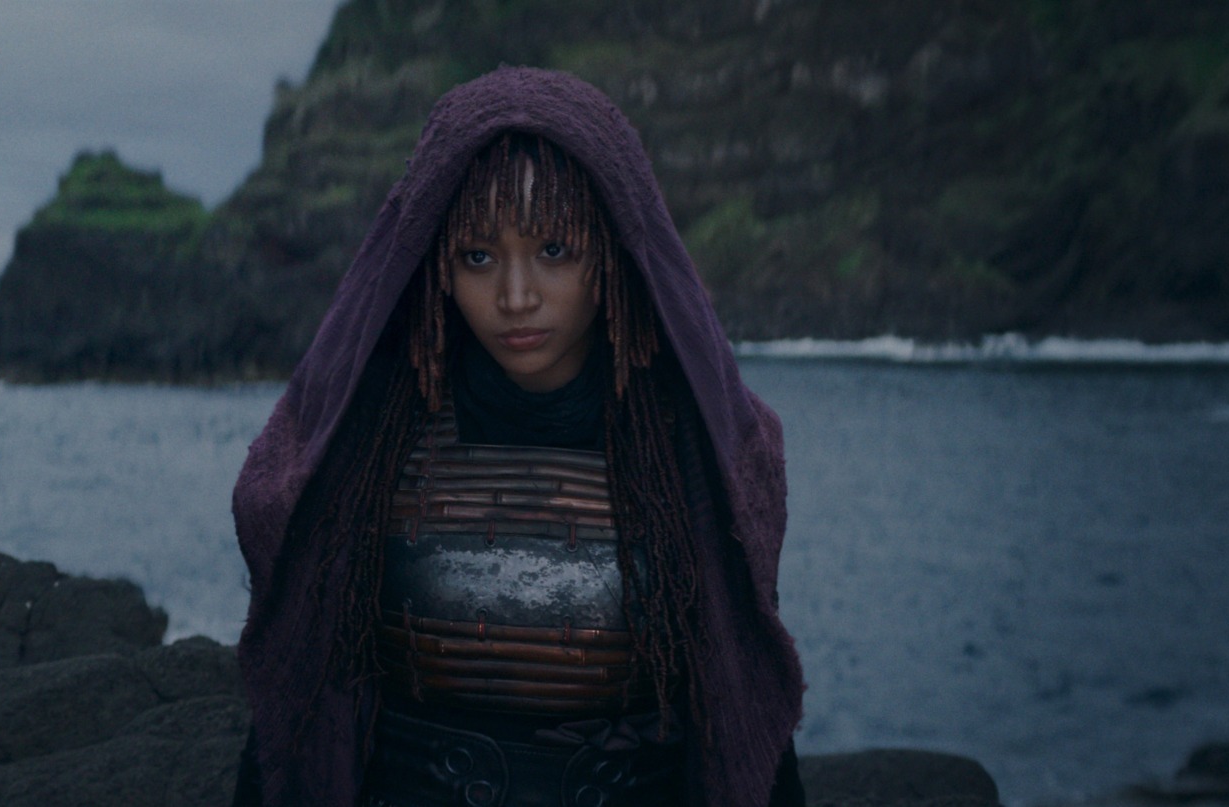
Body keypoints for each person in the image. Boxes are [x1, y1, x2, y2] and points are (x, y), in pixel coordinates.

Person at [231, 66, 804, 807]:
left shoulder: (692, 447)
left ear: (611, 250)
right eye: (478, 256)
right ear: (436, 263)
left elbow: (741, 703)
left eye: (554, 251)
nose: (515, 296)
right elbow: (302, 703)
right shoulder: (368, 435)